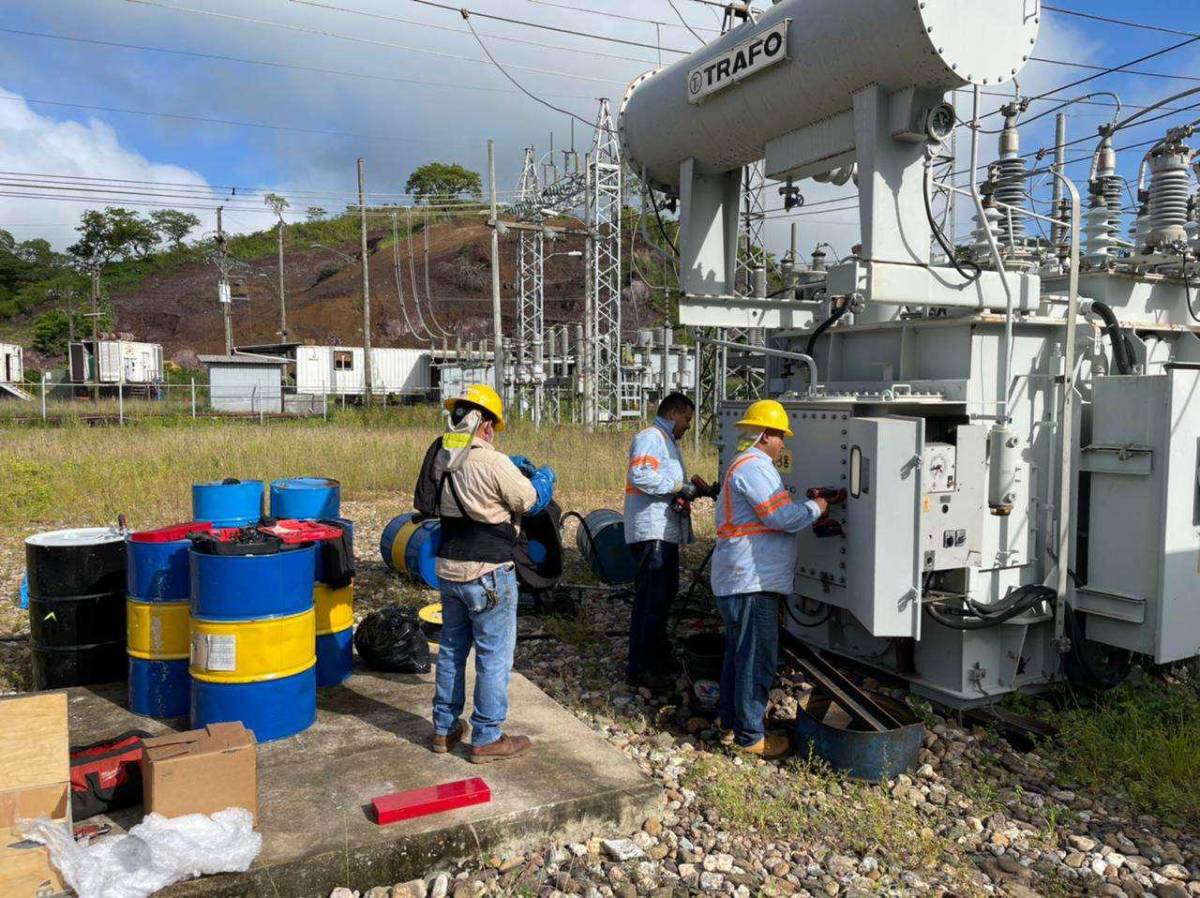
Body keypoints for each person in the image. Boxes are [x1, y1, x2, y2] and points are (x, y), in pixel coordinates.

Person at [419, 384, 556, 763]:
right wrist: (544, 478)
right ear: (486, 424)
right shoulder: (494, 463)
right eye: (493, 423)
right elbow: (529, 502)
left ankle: (444, 730)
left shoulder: (442, 457)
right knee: (493, 657)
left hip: (448, 569)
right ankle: (487, 736)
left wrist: (510, 463)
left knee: (451, 650)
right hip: (489, 574)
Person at [711, 399, 845, 758]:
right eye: (780, 436)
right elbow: (779, 518)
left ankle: (730, 725)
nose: (784, 443)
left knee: (739, 657)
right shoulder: (755, 467)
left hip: (743, 578)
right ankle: (751, 736)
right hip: (751, 581)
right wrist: (818, 507)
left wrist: (804, 506)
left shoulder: (746, 465)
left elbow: (773, 514)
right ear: (766, 434)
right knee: (757, 659)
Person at [623, 392, 715, 690]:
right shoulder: (652, 437)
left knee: (665, 595)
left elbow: (667, 483)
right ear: (674, 413)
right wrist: (678, 485)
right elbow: (640, 475)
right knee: (651, 599)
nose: (688, 425)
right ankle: (640, 667)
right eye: (687, 418)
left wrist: (689, 489)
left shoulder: (667, 441)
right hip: (652, 532)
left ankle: (658, 655)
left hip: (663, 532)